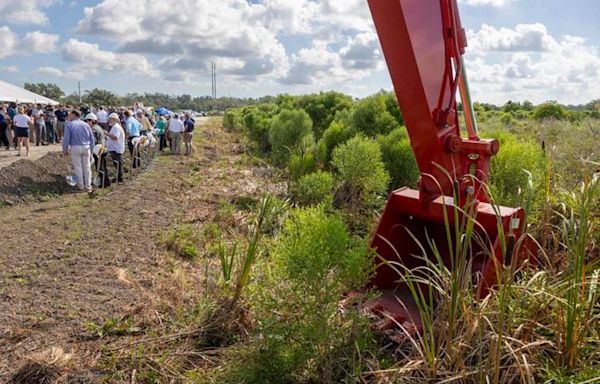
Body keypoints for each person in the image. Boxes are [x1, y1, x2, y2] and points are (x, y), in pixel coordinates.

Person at [63, 110, 95, 193]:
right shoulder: (86, 125)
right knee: (87, 168)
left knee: (78, 168)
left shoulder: (69, 125)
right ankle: (88, 186)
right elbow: (92, 139)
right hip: (86, 147)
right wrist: (91, 150)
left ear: (74, 115)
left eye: (69, 114)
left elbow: (66, 139)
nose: (68, 116)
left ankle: (81, 186)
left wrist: (65, 150)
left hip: (75, 147)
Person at [106, 112, 125, 183]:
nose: (109, 121)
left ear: (114, 119)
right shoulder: (115, 126)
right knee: (117, 163)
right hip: (115, 148)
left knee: (117, 164)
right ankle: (119, 177)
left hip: (116, 148)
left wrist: (108, 134)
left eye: (110, 119)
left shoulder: (116, 127)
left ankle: (120, 178)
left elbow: (115, 137)